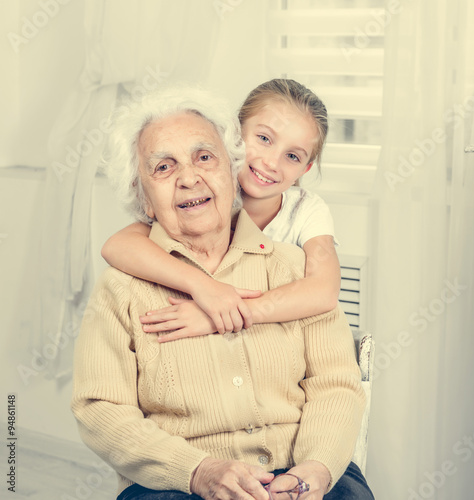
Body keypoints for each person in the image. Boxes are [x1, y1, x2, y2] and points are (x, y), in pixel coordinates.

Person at [71, 86, 374, 500]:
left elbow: (335, 384)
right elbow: (101, 409)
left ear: (232, 171)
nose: (189, 177)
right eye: (163, 167)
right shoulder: (121, 287)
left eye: (204, 157)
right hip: (181, 481)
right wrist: (198, 471)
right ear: (143, 200)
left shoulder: (295, 268)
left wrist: (314, 470)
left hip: (300, 468)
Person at [100, 79, 340, 340]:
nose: (271, 162)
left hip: (275, 337)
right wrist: (202, 286)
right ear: (233, 135)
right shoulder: (205, 196)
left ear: (304, 169)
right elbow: (117, 246)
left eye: (293, 156)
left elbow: (323, 290)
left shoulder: (306, 210)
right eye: (263, 139)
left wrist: (222, 314)